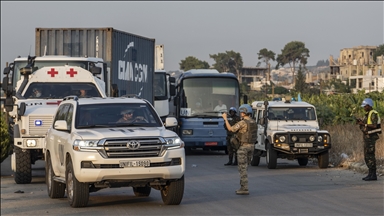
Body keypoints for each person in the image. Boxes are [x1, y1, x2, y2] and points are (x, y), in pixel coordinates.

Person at [222, 104, 257, 195]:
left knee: (242, 168)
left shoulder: (243, 123)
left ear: (244, 112)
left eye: (242, 112)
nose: (241, 113)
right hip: (252, 146)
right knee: (245, 167)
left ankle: (244, 188)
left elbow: (231, 129)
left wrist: (225, 119)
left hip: (243, 147)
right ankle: (244, 186)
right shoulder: (253, 122)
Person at [356, 98, 382, 181]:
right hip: (367, 138)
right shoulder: (367, 114)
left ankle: (373, 174)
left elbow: (374, 126)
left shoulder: (373, 113)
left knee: (370, 155)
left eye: (365, 106)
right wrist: (360, 122)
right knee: (367, 156)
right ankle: (370, 174)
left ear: (369, 106)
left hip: (371, 138)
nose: (364, 108)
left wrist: (363, 124)